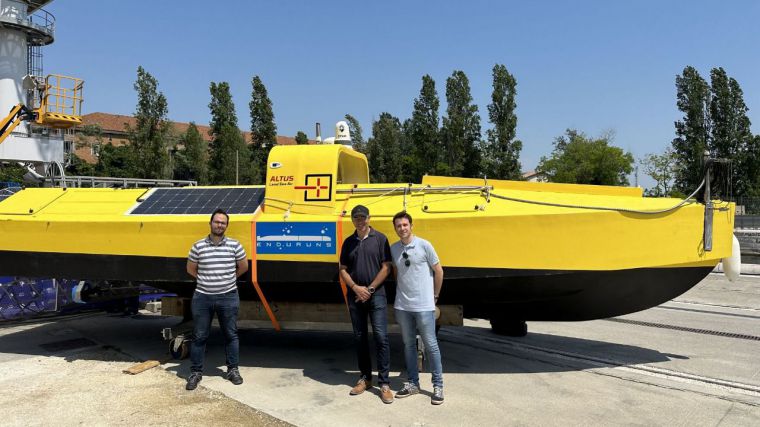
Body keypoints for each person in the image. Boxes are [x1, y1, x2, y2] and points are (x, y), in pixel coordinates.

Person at [185, 208, 248, 391]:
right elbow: (190, 269)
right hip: (202, 298)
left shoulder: (234, 245)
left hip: (228, 296)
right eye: (217, 221)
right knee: (199, 336)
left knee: (230, 334)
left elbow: (243, 266)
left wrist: (228, 279)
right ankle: (196, 372)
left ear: (226, 226)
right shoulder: (198, 246)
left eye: (223, 222)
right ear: (211, 223)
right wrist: (206, 281)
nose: (219, 225)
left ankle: (232, 370)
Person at [339, 204, 394, 404]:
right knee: (360, 337)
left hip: (376, 295)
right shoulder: (348, 242)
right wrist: (355, 288)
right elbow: (343, 269)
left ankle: (385, 383)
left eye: (363, 217)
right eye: (356, 218)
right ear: (352, 220)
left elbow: (387, 267)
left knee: (381, 337)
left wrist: (369, 289)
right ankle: (365, 378)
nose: (360, 221)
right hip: (355, 296)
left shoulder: (380, 239)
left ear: (369, 218)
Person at [390, 211, 445, 405]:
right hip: (403, 306)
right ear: (395, 229)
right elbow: (397, 274)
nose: (402, 228)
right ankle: (413, 383)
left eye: (405, 225)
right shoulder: (394, 249)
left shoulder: (424, 245)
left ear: (411, 226)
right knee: (408, 346)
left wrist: (435, 296)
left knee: (431, 345)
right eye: (398, 226)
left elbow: (438, 271)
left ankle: (438, 385)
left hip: (424, 306)